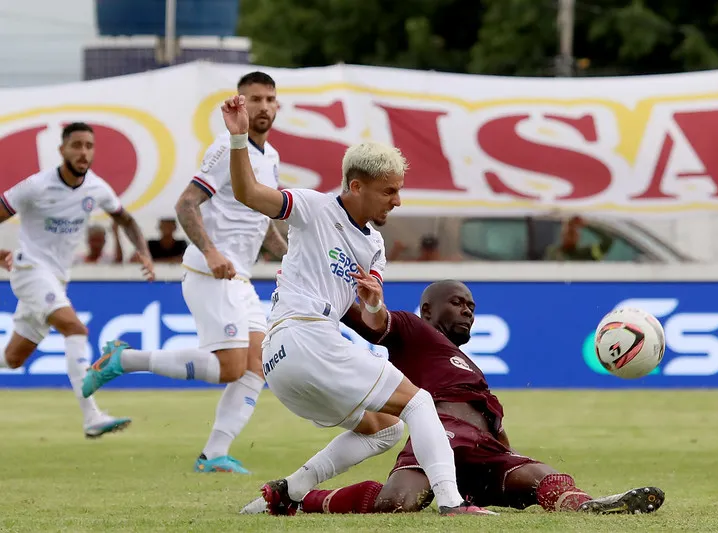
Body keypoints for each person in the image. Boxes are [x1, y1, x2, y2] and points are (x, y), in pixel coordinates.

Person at [214, 94, 491, 516]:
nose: (396, 201)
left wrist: (375, 305)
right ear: (356, 186)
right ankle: (452, 503)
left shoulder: (374, 245)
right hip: (305, 338)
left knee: (386, 430)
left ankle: (286, 493)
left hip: (283, 363)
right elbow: (249, 193)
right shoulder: (312, 207)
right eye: (389, 191)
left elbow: (375, 321)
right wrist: (238, 140)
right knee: (418, 403)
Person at [241, 280, 666, 516]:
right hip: (438, 434)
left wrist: (507, 454)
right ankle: (297, 497)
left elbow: (490, 419)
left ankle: (591, 507)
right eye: (457, 302)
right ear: (427, 310)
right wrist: (314, 279)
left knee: (541, 476)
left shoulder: (466, 364)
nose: (468, 310)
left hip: (486, 452)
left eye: (472, 305)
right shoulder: (411, 329)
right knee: (397, 505)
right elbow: (367, 321)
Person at [82, 72, 289, 473]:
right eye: (255, 99)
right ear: (240, 104)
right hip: (210, 272)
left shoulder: (272, 157)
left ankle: (214, 454)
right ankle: (124, 360)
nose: (264, 106)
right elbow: (186, 204)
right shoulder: (225, 149)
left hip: (241, 278)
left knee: (256, 366)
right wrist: (210, 251)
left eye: (270, 99)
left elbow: (263, 223)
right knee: (230, 367)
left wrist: (292, 259)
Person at [0, 122, 155, 438]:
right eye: (76, 145)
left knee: (12, 359)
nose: (83, 152)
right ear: (62, 150)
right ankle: (92, 416)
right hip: (29, 271)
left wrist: (144, 252)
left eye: (89, 146)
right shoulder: (35, 186)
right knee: (75, 328)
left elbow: (125, 219)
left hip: (57, 279)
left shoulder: (96, 188)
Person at [545, 216, 614, 261]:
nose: (569, 237)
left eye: (572, 233)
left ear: (578, 237)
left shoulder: (587, 253)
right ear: (562, 235)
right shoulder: (553, 252)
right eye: (568, 233)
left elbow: (608, 241)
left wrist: (587, 225)